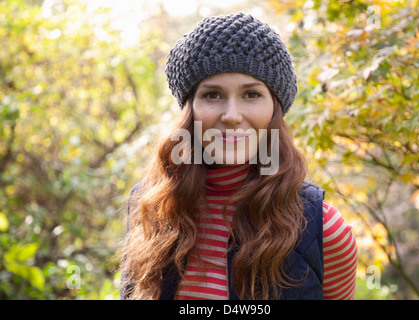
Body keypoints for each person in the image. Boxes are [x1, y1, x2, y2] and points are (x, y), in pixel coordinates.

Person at [120, 12, 357, 300]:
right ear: (190, 109)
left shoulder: (323, 229)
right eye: (212, 95)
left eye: (252, 94)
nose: (232, 116)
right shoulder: (150, 209)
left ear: (274, 109)